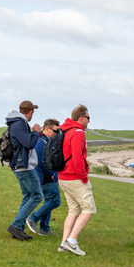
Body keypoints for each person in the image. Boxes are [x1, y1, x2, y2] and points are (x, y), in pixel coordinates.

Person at [57, 104, 95, 256]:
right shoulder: (78, 133)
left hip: (63, 177)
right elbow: (77, 158)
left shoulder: (65, 130)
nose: (89, 121)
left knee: (73, 210)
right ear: (81, 118)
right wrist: (83, 176)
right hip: (74, 177)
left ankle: (64, 242)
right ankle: (71, 241)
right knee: (89, 209)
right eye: (88, 118)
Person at [5, 101, 43, 241]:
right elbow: (29, 143)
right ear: (31, 112)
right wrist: (35, 132)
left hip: (20, 164)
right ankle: (16, 225)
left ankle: (18, 229)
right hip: (24, 165)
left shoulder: (16, 123)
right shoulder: (19, 124)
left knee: (28, 195)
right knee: (37, 195)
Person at [28, 119, 62, 236]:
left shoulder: (46, 141)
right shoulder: (41, 142)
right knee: (55, 200)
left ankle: (45, 228)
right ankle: (33, 218)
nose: (56, 134)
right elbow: (39, 162)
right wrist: (53, 174)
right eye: (55, 131)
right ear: (46, 129)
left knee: (49, 200)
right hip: (45, 177)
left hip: (45, 176)